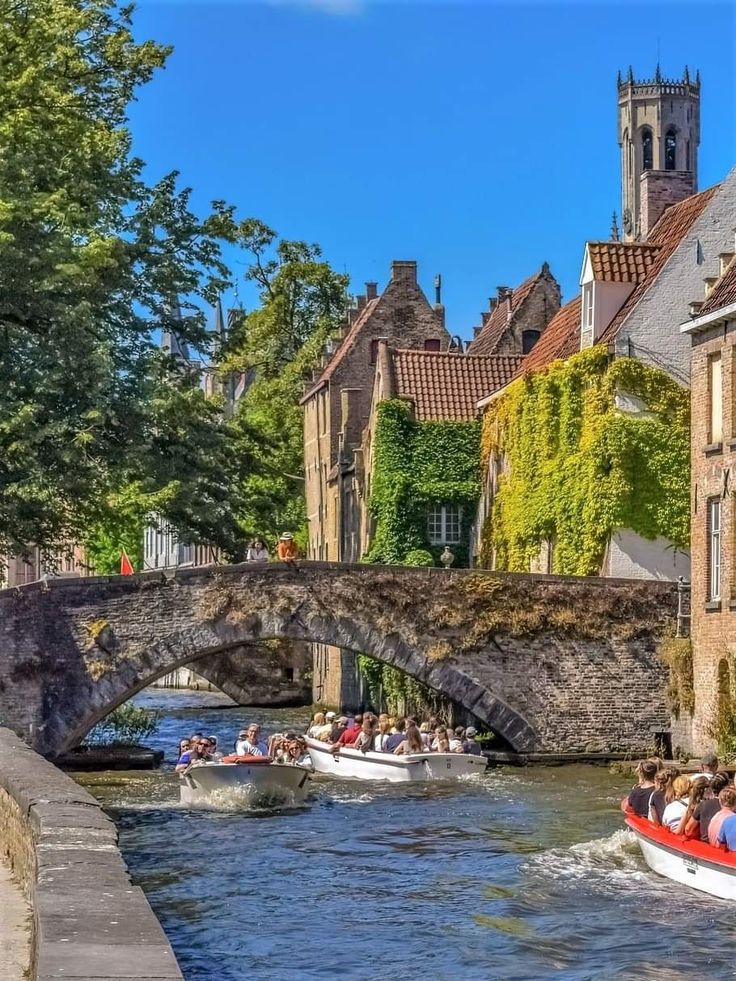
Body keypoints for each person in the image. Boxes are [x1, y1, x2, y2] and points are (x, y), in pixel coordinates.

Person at [686, 771, 730, 841]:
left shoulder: (703, 805)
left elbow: (688, 829)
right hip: (722, 846)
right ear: (727, 787)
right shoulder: (730, 807)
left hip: (704, 845)